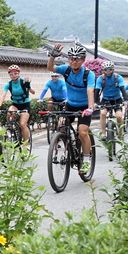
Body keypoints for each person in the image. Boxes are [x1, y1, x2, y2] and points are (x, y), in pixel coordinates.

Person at [47, 44, 96, 174]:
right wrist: (53, 56)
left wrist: (90, 108)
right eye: (71, 58)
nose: (74, 61)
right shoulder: (66, 70)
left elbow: (90, 90)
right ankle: (66, 145)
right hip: (70, 104)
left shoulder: (88, 74)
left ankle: (86, 160)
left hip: (84, 107)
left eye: (77, 58)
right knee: (61, 125)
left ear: (83, 60)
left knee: (83, 132)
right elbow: (50, 67)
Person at [0, 64, 35, 144]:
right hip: (15, 104)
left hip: (25, 104)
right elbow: (3, 95)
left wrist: (28, 87)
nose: (13, 75)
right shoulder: (9, 84)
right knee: (9, 113)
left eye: (15, 73)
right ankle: (10, 130)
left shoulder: (23, 82)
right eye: (11, 74)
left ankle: (26, 144)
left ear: (18, 73)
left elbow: (33, 92)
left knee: (23, 124)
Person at [95, 60, 127, 140]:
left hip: (117, 99)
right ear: (103, 70)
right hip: (106, 99)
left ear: (113, 69)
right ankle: (103, 133)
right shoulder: (100, 79)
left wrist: (126, 100)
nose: (108, 71)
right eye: (105, 69)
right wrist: (96, 102)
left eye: (110, 69)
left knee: (119, 116)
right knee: (102, 113)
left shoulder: (118, 77)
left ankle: (120, 132)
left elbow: (122, 89)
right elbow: (97, 91)